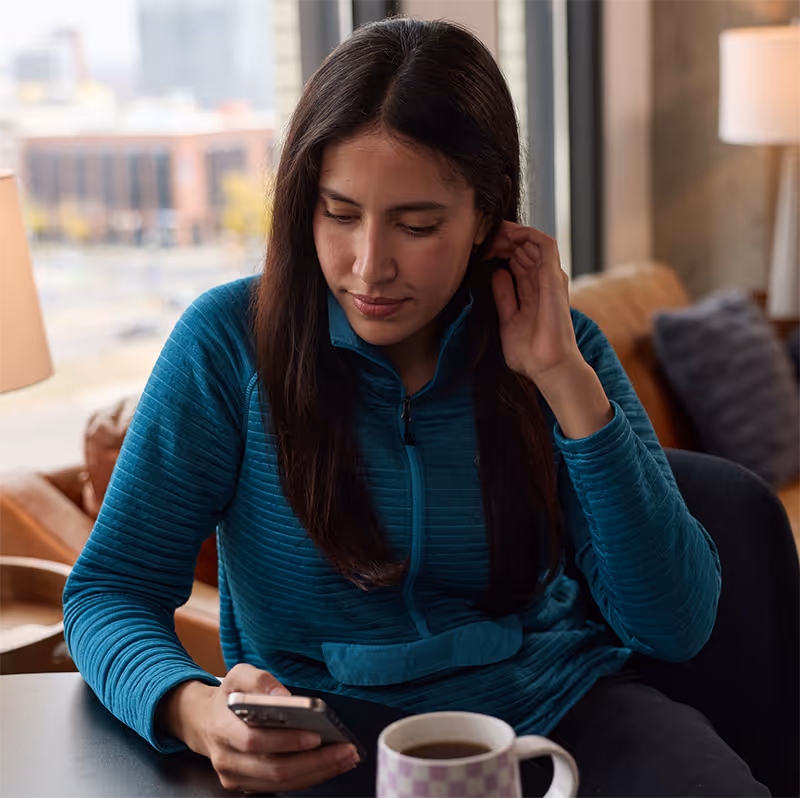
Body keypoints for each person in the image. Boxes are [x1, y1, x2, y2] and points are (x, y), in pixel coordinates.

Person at [62, 17, 766, 797]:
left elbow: (675, 625)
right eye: (339, 212)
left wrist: (563, 378)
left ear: (486, 216)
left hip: (560, 710)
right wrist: (192, 708)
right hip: (329, 742)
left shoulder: (565, 348)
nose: (369, 266)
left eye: (417, 224)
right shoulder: (227, 345)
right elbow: (108, 592)